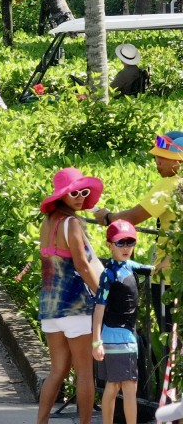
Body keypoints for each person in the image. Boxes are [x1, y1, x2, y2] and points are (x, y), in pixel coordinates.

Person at [93, 130, 183, 335]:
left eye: (164, 157)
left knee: (172, 338)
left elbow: (133, 217)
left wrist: (107, 217)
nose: (157, 161)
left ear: (179, 161)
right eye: (157, 156)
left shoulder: (170, 185)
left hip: (167, 278)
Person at [37, 167, 104, 424]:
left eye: (83, 192)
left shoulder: (48, 222)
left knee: (57, 370)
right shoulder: (72, 223)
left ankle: (41, 421)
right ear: (61, 196)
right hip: (76, 306)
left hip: (50, 307)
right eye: (73, 192)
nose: (79, 197)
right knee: (85, 374)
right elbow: (82, 266)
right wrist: (102, 295)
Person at [92, 220, 149, 424]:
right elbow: (99, 307)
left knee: (121, 385)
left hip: (126, 335)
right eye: (120, 243)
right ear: (109, 245)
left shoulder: (128, 266)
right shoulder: (109, 275)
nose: (126, 247)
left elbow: (151, 268)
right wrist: (96, 341)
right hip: (115, 335)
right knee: (121, 385)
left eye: (130, 242)